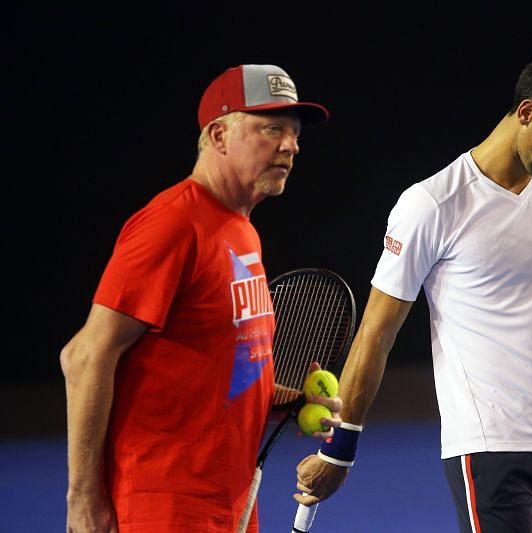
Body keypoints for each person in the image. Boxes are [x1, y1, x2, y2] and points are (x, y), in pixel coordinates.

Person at [294, 46, 532, 532]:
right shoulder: (432, 204)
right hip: (489, 445)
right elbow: (376, 331)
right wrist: (340, 451)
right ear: (527, 112)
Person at [60, 64, 340, 532]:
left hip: (228, 498)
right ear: (218, 135)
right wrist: (83, 501)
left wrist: (277, 400)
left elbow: (207, 359)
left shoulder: (242, 230)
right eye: (272, 128)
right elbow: (85, 355)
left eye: (294, 135)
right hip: (165, 504)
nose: (290, 146)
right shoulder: (172, 224)